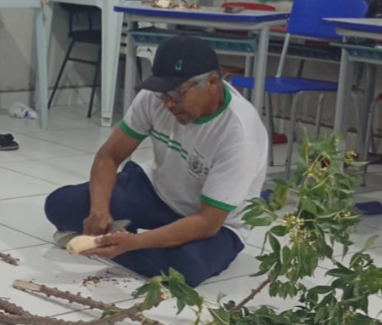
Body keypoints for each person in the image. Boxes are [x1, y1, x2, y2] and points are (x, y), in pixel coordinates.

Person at [44, 35, 268, 287]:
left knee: (185, 268)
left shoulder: (239, 135)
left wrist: (135, 242)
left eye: (177, 93)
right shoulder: (155, 98)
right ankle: (139, 245)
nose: (168, 102)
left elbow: (207, 222)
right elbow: (109, 156)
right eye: (162, 93)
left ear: (212, 82)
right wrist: (99, 210)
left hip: (214, 222)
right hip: (157, 192)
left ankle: (118, 245)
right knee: (59, 205)